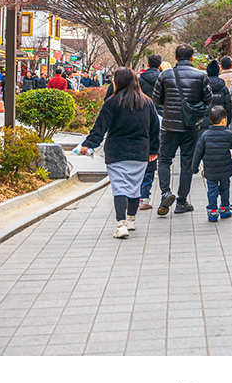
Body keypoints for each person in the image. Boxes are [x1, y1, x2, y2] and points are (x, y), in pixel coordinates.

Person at [79, 68, 160, 239]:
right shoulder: (147, 102)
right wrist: (154, 150)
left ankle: (120, 224)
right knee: (134, 188)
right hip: (140, 152)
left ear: (118, 82)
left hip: (117, 152)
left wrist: (88, 144)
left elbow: (100, 127)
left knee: (120, 188)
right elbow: (154, 128)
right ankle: (131, 220)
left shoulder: (112, 102)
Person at [151, 44, 212, 215]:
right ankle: (182, 201)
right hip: (190, 126)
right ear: (192, 57)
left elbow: (156, 99)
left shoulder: (165, 75)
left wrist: (169, 109)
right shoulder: (201, 76)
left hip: (169, 125)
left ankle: (165, 193)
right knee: (187, 163)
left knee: (164, 160)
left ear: (176, 57)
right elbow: (208, 99)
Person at [191, 106, 232, 222]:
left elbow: (198, 152)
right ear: (224, 120)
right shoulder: (228, 134)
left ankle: (213, 211)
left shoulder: (205, 135)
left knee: (212, 190)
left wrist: (194, 168)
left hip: (210, 170)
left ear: (210, 120)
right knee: (225, 189)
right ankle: (225, 208)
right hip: (225, 170)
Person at [137, 55, 164, 210]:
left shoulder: (140, 80)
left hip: (143, 116)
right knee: (156, 151)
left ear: (147, 64)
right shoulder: (164, 78)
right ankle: (146, 197)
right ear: (159, 65)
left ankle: (141, 196)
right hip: (161, 116)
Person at [206, 59, 232, 129]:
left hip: (205, 122)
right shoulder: (223, 88)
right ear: (218, 72)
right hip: (220, 121)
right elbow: (228, 106)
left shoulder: (202, 87)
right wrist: (228, 121)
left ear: (207, 72)